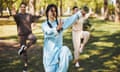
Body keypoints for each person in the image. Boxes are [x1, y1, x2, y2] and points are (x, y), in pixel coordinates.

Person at [42, 4, 82, 72]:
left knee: (65, 49)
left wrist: (79, 13)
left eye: (55, 11)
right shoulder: (44, 25)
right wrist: (57, 29)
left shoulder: (59, 22)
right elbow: (48, 32)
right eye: (51, 10)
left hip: (59, 53)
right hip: (49, 57)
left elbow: (70, 20)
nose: (53, 12)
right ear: (47, 12)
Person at [11, 2, 41, 72]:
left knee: (34, 39)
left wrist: (40, 15)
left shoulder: (29, 15)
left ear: (26, 8)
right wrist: (14, 14)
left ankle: (24, 47)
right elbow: (15, 16)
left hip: (29, 33)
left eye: (24, 7)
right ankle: (25, 66)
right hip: (21, 35)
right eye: (21, 7)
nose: (23, 8)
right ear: (20, 8)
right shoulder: (18, 16)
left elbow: (35, 17)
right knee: (24, 53)